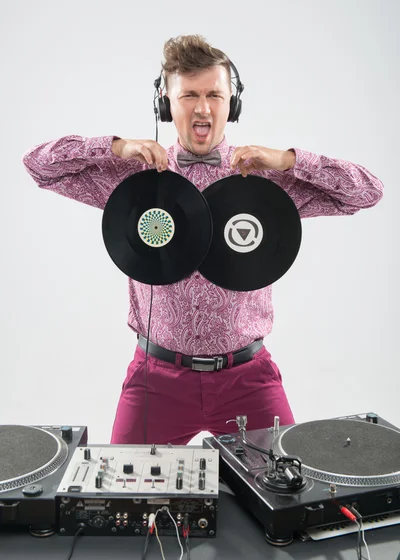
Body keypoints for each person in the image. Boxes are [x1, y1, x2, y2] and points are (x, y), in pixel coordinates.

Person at [22, 35, 384, 445]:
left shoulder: (265, 180)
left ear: (233, 103)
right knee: (126, 500)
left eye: (215, 94)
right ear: (165, 102)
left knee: (284, 500)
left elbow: (367, 192)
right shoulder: (134, 178)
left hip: (249, 380)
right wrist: (117, 147)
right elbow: (38, 165)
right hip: (155, 380)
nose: (203, 107)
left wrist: (286, 160)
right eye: (189, 95)